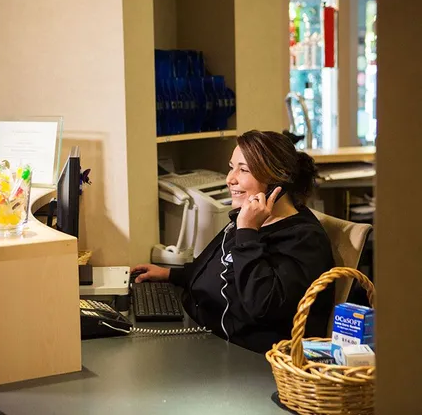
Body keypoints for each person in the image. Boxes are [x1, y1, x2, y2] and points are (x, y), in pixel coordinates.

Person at [132, 130, 335, 353]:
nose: (230, 179)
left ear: (278, 180)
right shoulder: (250, 219)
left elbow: (263, 306)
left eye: (244, 170)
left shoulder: (303, 239)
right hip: (202, 335)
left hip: (244, 360)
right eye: (232, 167)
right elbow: (216, 267)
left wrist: (247, 232)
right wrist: (171, 275)